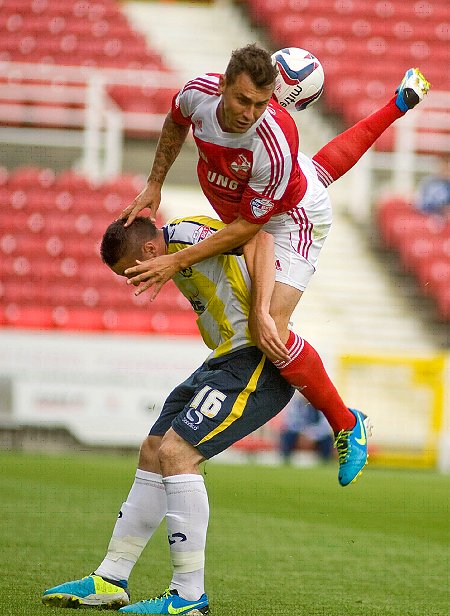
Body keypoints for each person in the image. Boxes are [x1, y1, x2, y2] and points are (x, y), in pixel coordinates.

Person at [118, 45, 429, 486]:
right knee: (312, 183)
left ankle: (345, 424)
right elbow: (175, 123)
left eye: (261, 104)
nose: (249, 114)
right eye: (243, 101)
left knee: (272, 331)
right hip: (255, 214)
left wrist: (179, 263)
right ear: (223, 86)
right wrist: (155, 182)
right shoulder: (197, 95)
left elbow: (254, 232)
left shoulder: (274, 145)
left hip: (293, 219)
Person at [42, 215, 296, 614]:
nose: (134, 281)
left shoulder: (183, 234)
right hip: (224, 358)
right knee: (154, 447)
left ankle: (189, 597)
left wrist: (263, 313)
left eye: (133, 271)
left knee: (178, 454)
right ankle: (110, 578)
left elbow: (258, 239)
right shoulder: (174, 252)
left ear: (148, 250)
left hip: (257, 357)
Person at [278, 393, 334, 464]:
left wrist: (311, 435)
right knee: (287, 435)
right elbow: (290, 422)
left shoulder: (322, 403)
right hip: (299, 433)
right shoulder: (295, 402)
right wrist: (302, 434)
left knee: (328, 438)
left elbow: (325, 425)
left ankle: (326, 461)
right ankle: (285, 459)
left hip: (316, 435)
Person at [415, 154, 450, 219]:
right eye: (444, 166)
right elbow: (420, 204)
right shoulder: (429, 182)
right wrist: (439, 208)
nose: (446, 170)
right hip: (428, 217)